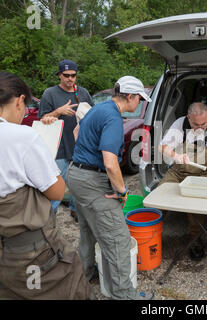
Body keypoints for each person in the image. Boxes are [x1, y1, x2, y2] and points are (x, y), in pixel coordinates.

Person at [0, 72, 93, 299]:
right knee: (68, 290)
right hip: (30, 253)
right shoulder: (22, 136)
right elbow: (57, 191)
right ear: (19, 100)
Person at [66, 76, 154, 300]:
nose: (139, 104)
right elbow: (110, 162)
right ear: (131, 97)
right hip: (92, 181)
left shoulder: (99, 108)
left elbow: (77, 134)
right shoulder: (114, 118)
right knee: (118, 239)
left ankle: (83, 276)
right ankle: (124, 295)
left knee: (88, 231)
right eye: (139, 100)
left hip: (76, 174)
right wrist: (122, 191)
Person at [158, 102, 207, 261]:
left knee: (196, 208)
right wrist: (176, 156)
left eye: (203, 124)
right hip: (178, 171)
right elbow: (163, 147)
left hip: (203, 173)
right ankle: (151, 237)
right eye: (195, 124)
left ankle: (196, 241)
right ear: (188, 118)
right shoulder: (179, 124)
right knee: (158, 199)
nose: (199, 128)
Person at [38, 59, 94, 222]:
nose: (70, 79)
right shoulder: (50, 93)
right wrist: (58, 111)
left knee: (79, 183)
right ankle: (49, 220)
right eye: (66, 75)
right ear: (59, 76)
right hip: (59, 147)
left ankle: (76, 210)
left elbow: (92, 113)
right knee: (56, 187)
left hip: (80, 146)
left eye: (73, 75)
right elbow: (43, 119)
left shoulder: (83, 92)